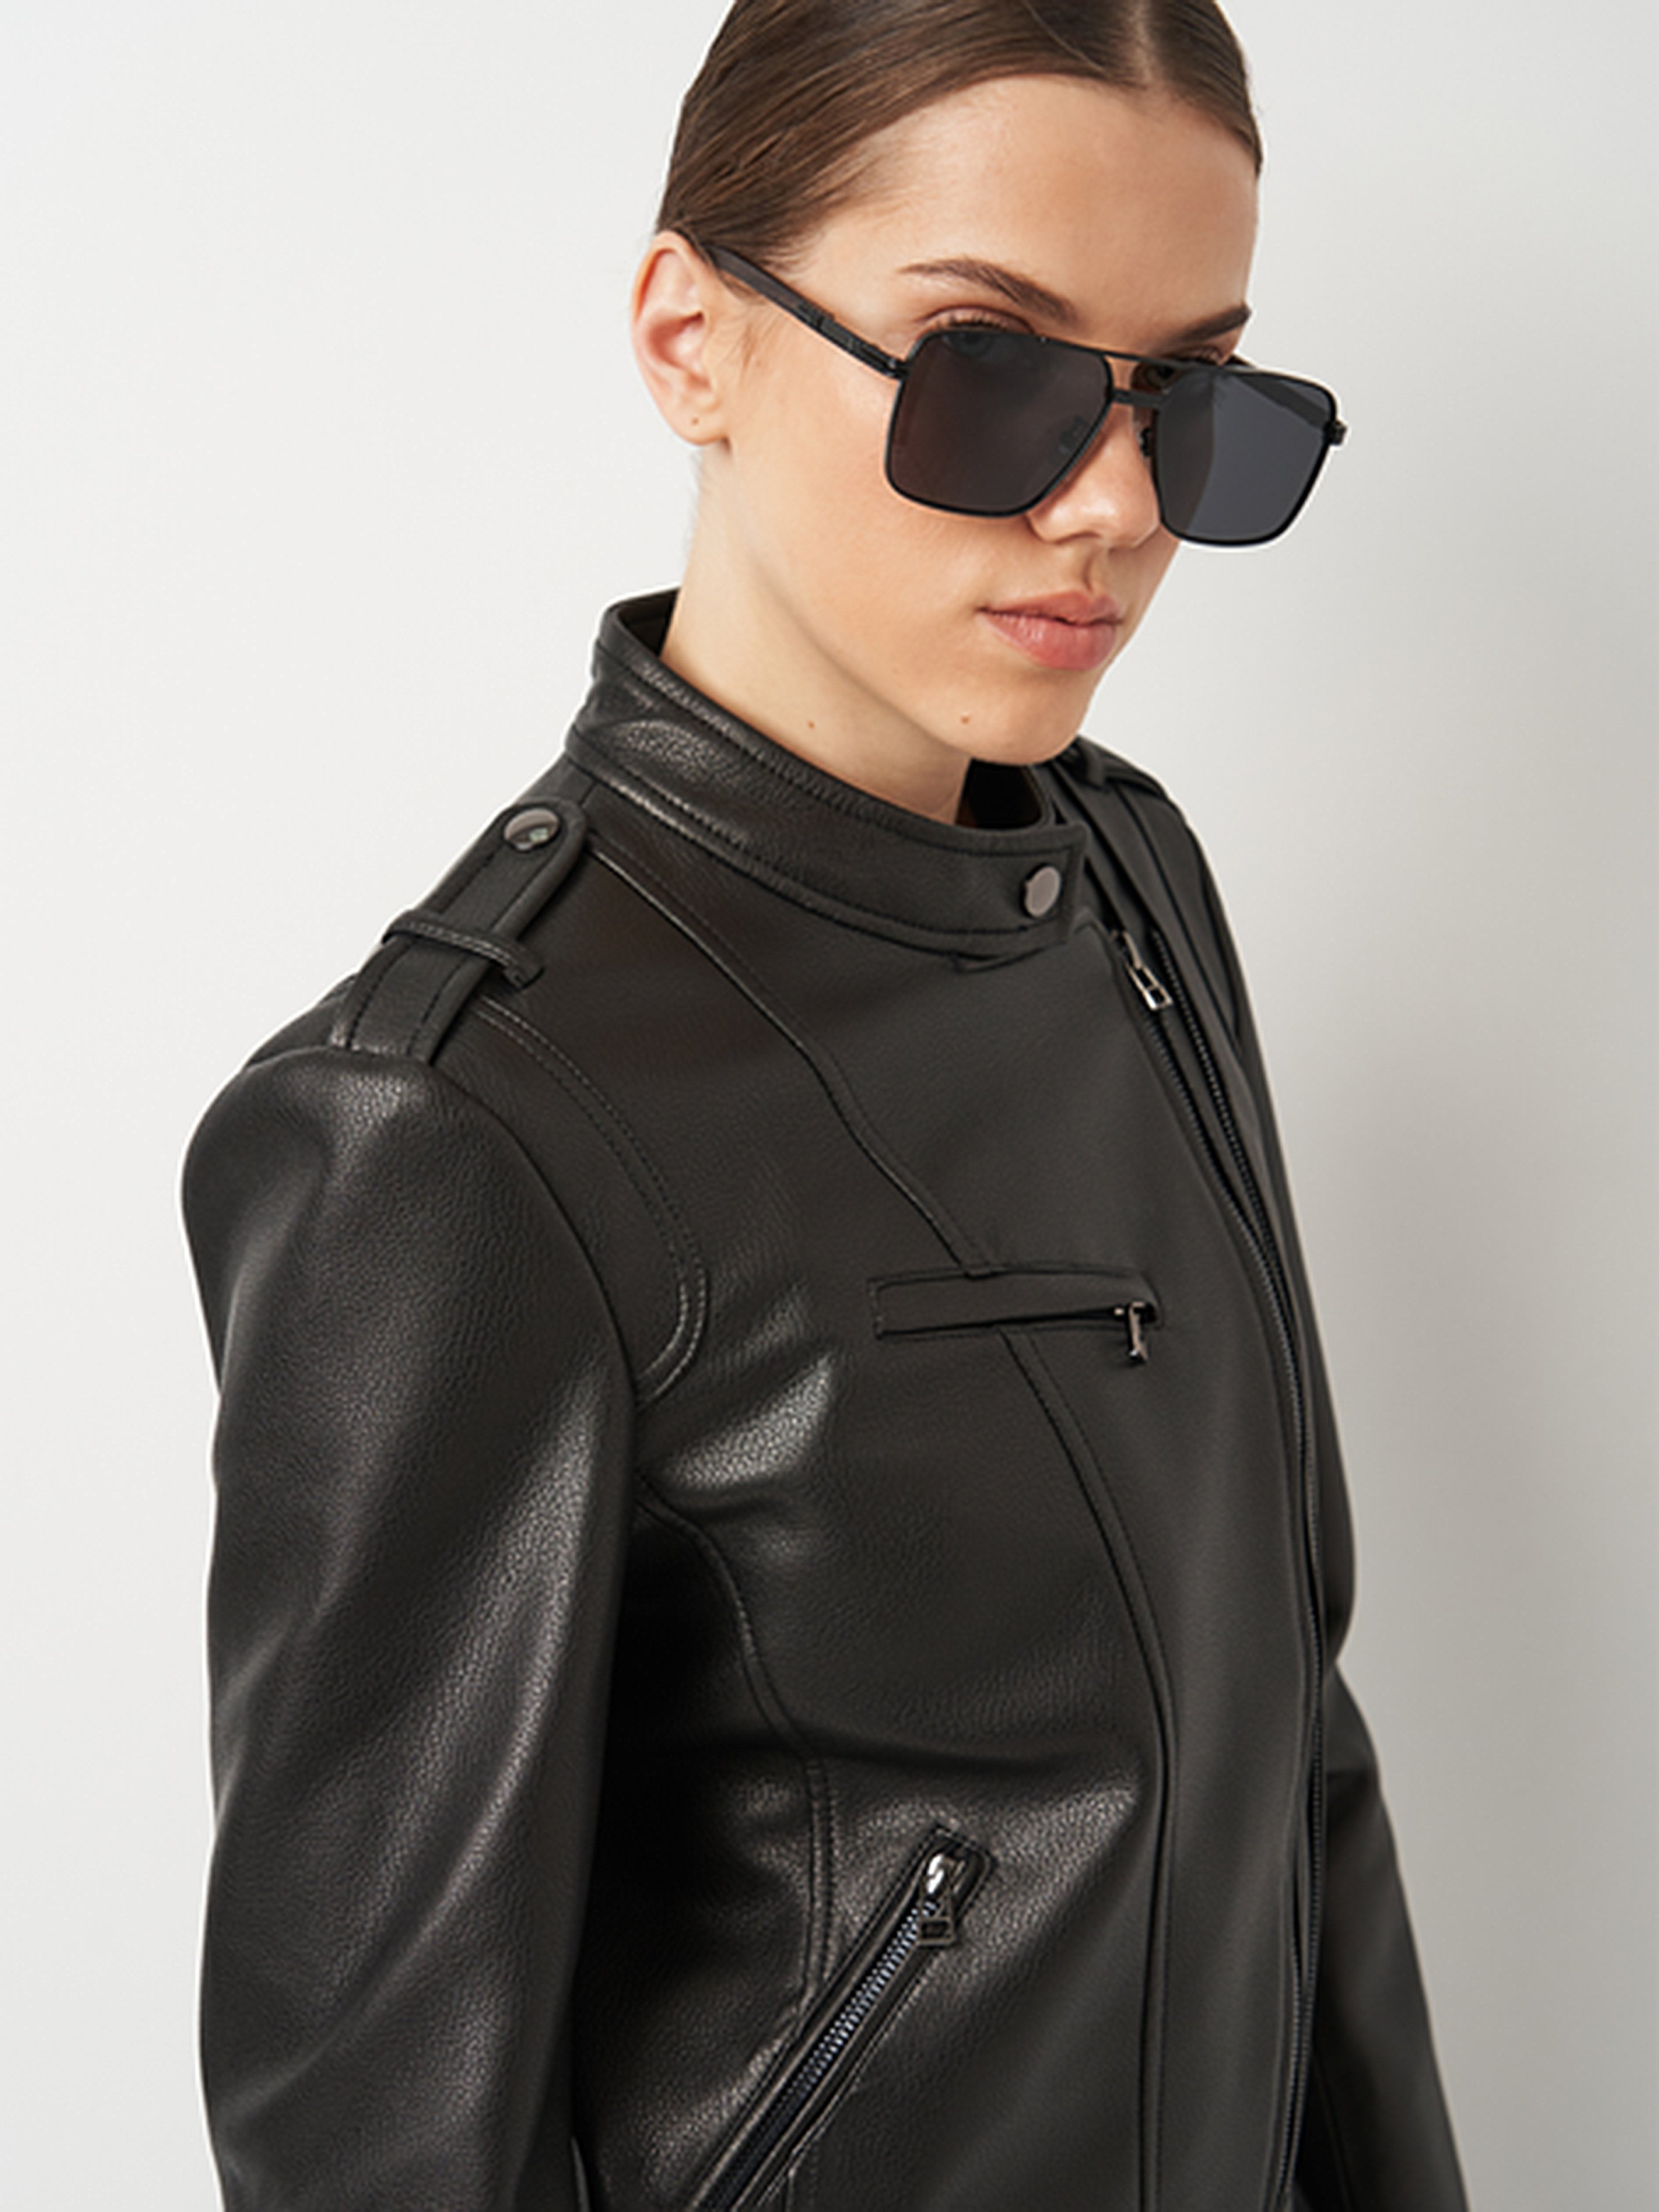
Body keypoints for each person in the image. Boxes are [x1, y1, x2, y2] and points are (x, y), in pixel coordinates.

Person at [182, 3, 1468, 2207]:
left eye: (1192, 405)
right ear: (692, 339)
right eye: (987, 370)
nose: (1108, 506)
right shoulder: (452, 1123)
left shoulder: (1131, 895)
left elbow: (1291, 1745)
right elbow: (378, 2145)